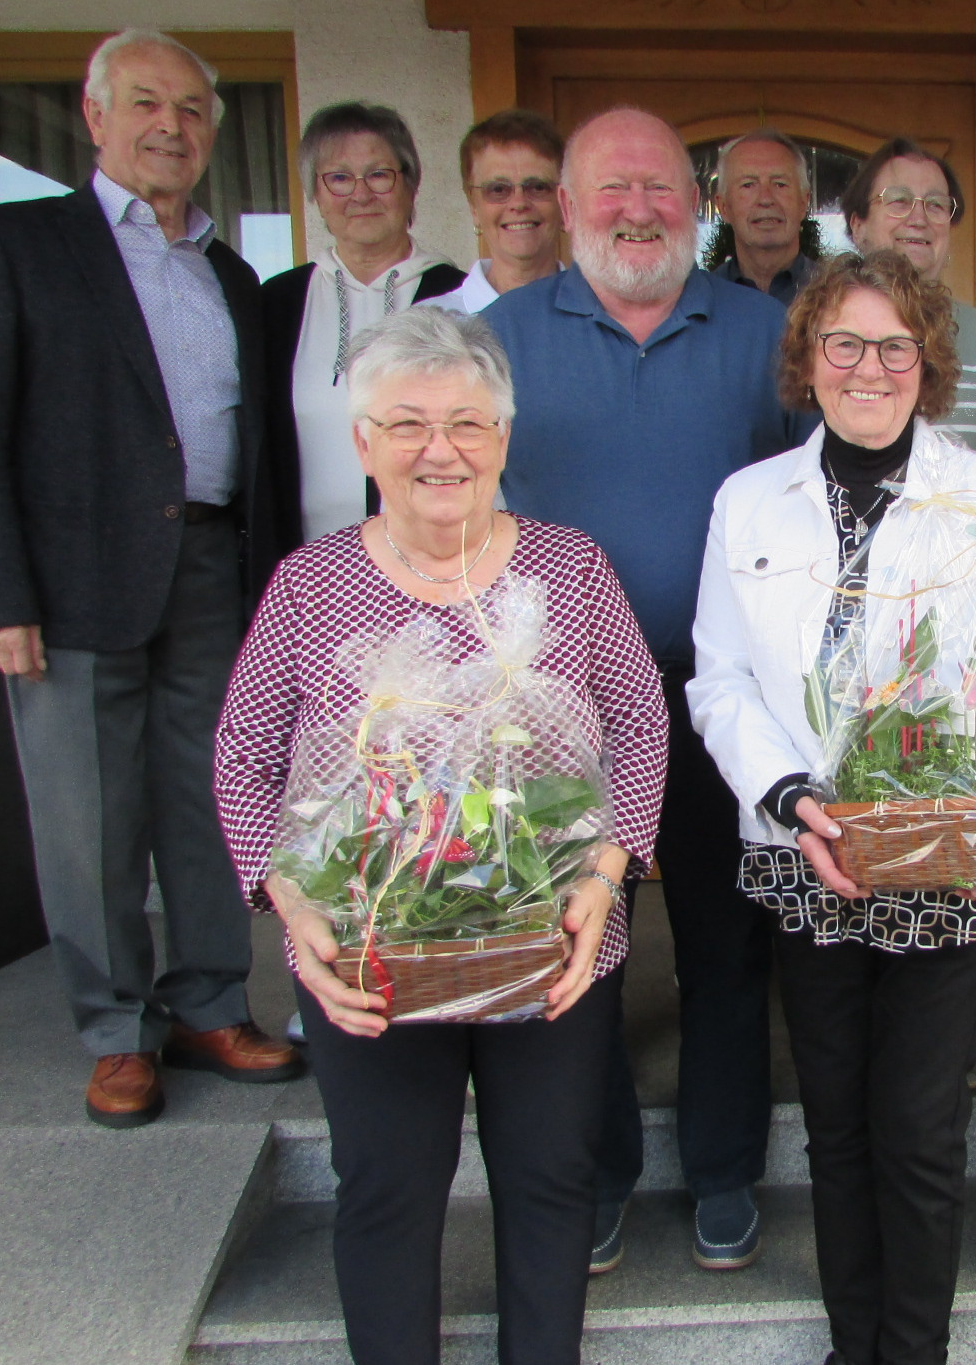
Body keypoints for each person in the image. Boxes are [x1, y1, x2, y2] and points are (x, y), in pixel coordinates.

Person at [214, 306, 669, 1365]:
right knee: (383, 1190)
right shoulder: (309, 584)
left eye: (467, 424)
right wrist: (293, 904)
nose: (440, 450)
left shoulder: (568, 570)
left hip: (548, 943)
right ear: (363, 442)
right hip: (369, 952)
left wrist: (606, 873)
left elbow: (641, 726)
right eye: (407, 423)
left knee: (551, 1182)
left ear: (503, 440)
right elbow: (241, 761)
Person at [0, 28, 302, 1129]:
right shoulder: (16, 246)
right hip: (69, 579)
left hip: (210, 564)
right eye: (146, 104)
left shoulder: (231, 275)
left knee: (208, 802)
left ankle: (207, 1001)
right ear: (94, 117)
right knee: (86, 816)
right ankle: (114, 1027)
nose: (171, 128)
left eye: (192, 112)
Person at [689, 249, 976, 1365]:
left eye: (896, 344)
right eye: (843, 342)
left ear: (928, 360)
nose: (869, 367)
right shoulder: (749, 499)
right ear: (807, 358)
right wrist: (788, 796)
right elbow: (717, 676)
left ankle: (913, 1352)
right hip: (808, 851)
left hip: (940, 856)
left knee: (922, 1129)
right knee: (836, 1124)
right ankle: (857, 1350)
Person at [482, 104, 799, 1276]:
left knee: (727, 943)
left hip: (724, 693)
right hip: (553, 702)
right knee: (576, 943)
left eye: (661, 189)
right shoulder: (498, 335)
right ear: (564, 209)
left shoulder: (765, 330)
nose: (635, 210)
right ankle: (598, 1170)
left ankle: (723, 1170)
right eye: (609, 190)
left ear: (696, 206)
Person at [263, 102, 466, 545]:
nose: (360, 194)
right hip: (305, 566)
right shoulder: (275, 306)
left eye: (379, 174)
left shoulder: (458, 300)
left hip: (433, 559)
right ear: (314, 194)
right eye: (338, 177)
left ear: (411, 185)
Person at [842, 138, 976, 464]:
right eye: (898, 200)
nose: (919, 218)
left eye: (936, 205)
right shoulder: (834, 332)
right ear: (858, 225)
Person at [427, 107, 566, 314]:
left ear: (564, 201)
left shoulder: (607, 318)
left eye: (537, 187)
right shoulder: (430, 328)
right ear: (473, 206)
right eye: (498, 189)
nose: (519, 203)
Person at [705, 127, 821, 306]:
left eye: (780, 184)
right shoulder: (704, 298)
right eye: (748, 185)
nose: (766, 199)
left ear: (804, 203)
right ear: (724, 207)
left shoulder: (834, 294)